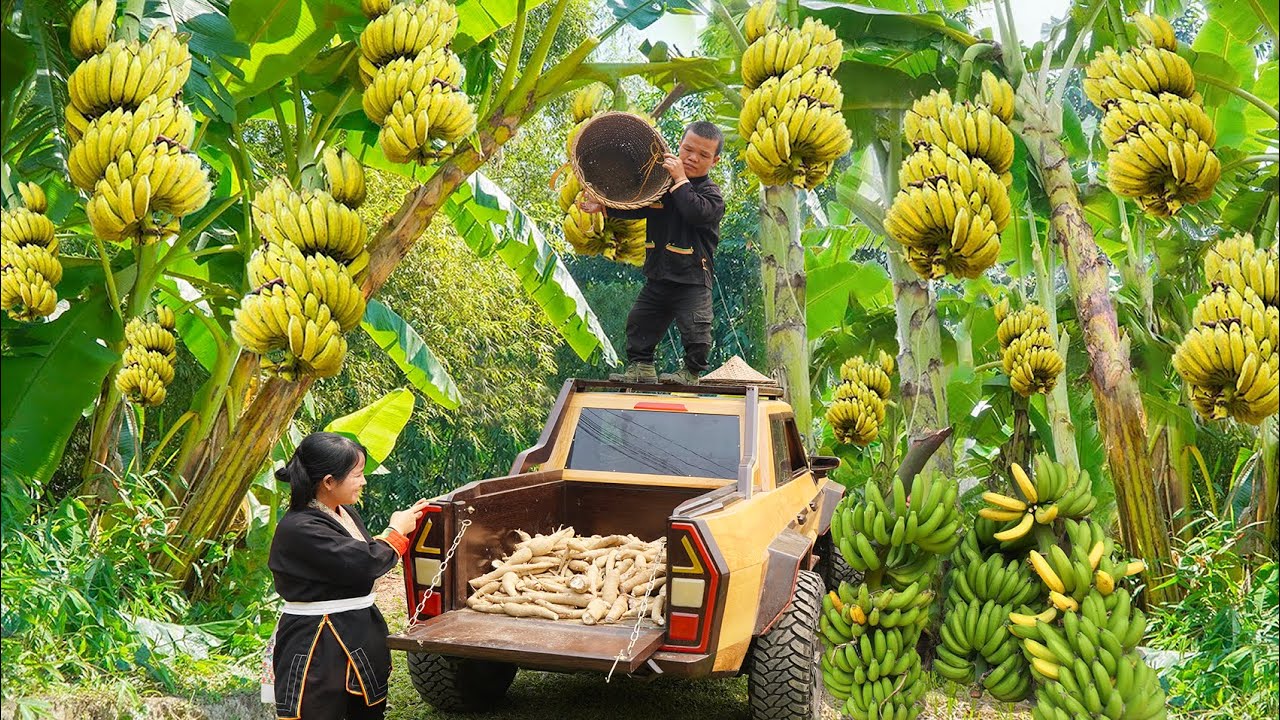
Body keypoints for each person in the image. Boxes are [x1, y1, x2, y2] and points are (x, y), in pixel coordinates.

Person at [263, 432, 430, 720]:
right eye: (357, 475)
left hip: (355, 630)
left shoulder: (343, 513)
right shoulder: (300, 528)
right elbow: (365, 562)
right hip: (318, 642)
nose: (364, 482)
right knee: (320, 709)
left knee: (365, 708)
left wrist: (397, 531)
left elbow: (354, 556)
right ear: (329, 482)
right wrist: (395, 532)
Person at [579, 120, 726, 385]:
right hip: (659, 274)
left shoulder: (711, 195)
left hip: (692, 278)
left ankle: (690, 373)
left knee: (696, 329)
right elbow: (638, 206)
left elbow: (695, 212)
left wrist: (681, 179)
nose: (692, 158)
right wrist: (603, 207)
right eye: (688, 149)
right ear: (678, 147)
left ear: (714, 161)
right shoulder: (660, 186)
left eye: (703, 155)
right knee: (640, 321)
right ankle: (642, 368)